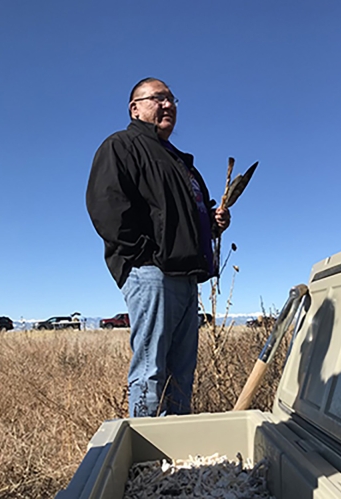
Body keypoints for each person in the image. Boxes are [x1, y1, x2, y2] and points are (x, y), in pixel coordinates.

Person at [86, 77, 230, 417]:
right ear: (135, 108)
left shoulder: (180, 161)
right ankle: (147, 460)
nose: (167, 105)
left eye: (172, 99)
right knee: (151, 371)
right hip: (152, 272)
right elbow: (106, 206)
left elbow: (182, 216)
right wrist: (144, 257)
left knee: (181, 375)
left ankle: (176, 460)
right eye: (158, 98)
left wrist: (212, 221)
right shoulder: (121, 146)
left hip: (186, 275)